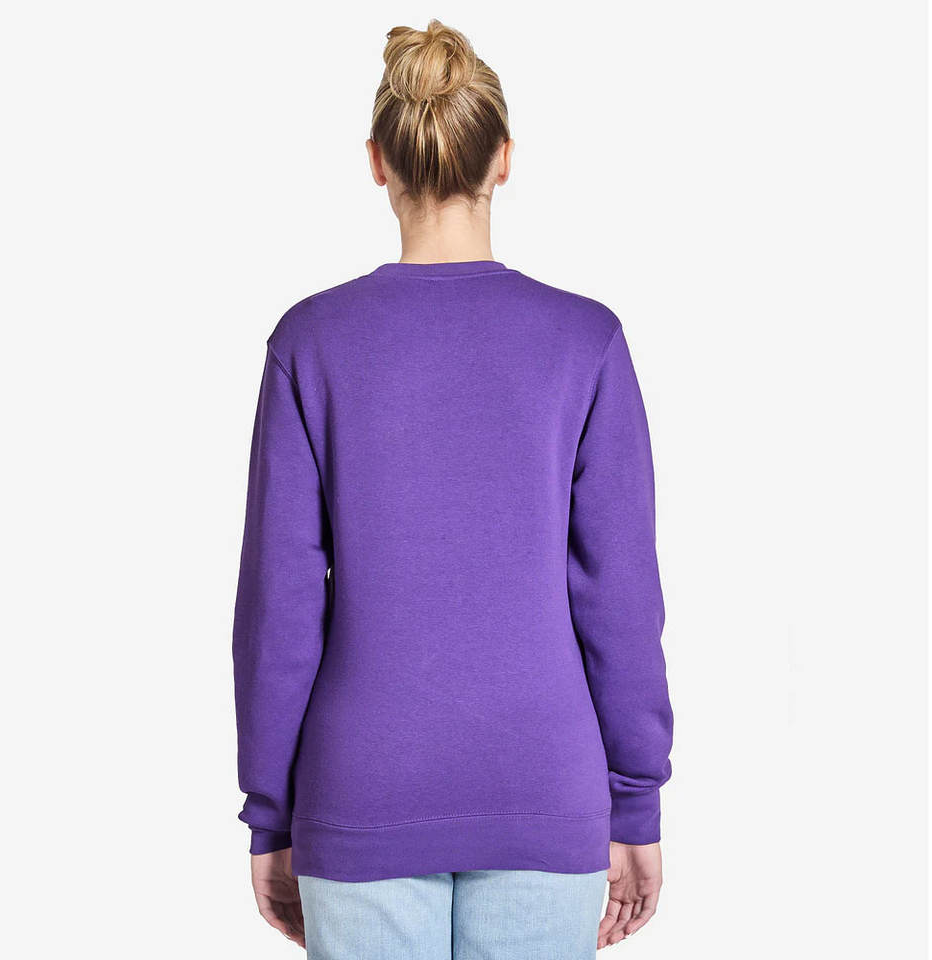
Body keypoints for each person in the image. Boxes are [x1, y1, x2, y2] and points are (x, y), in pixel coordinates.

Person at [232, 20, 673, 959]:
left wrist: (271, 815)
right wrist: (635, 803)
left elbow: (278, 612)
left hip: (362, 791)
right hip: (545, 786)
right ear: (503, 158)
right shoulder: (585, 342)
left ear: (377, 162)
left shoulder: (310, 344)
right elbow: (621, 601)